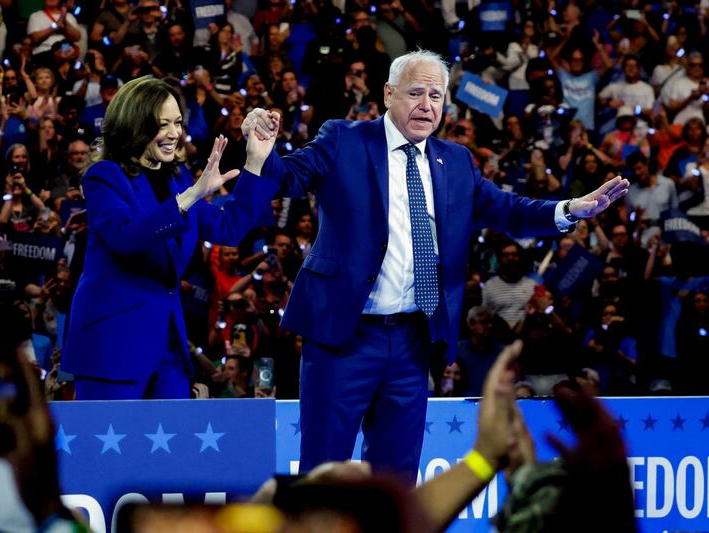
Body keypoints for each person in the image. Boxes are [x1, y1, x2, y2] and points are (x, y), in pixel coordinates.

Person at [243, 49, 630, 479]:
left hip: (412, 342)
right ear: (388, 94)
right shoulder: (344, 139)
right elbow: (289, 177)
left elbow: (510, 210)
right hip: (342, 338)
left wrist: (570, 208)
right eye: (415, 93)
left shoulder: (457, 161)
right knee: (323, 473)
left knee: (397, 478)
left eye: (436, 95)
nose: (427, 105)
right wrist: (262, 153)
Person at [61, 76, 277, 400]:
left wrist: (255, 161)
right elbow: (126, 237)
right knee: (113, 449)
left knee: (173, 448)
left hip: (169, 349)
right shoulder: (104, 176)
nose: (175, 133)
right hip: (112, 344)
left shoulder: (179, 178)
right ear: (134, 124)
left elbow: (227, 228)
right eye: (162, 124)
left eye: (177, 122)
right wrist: (190, 197)